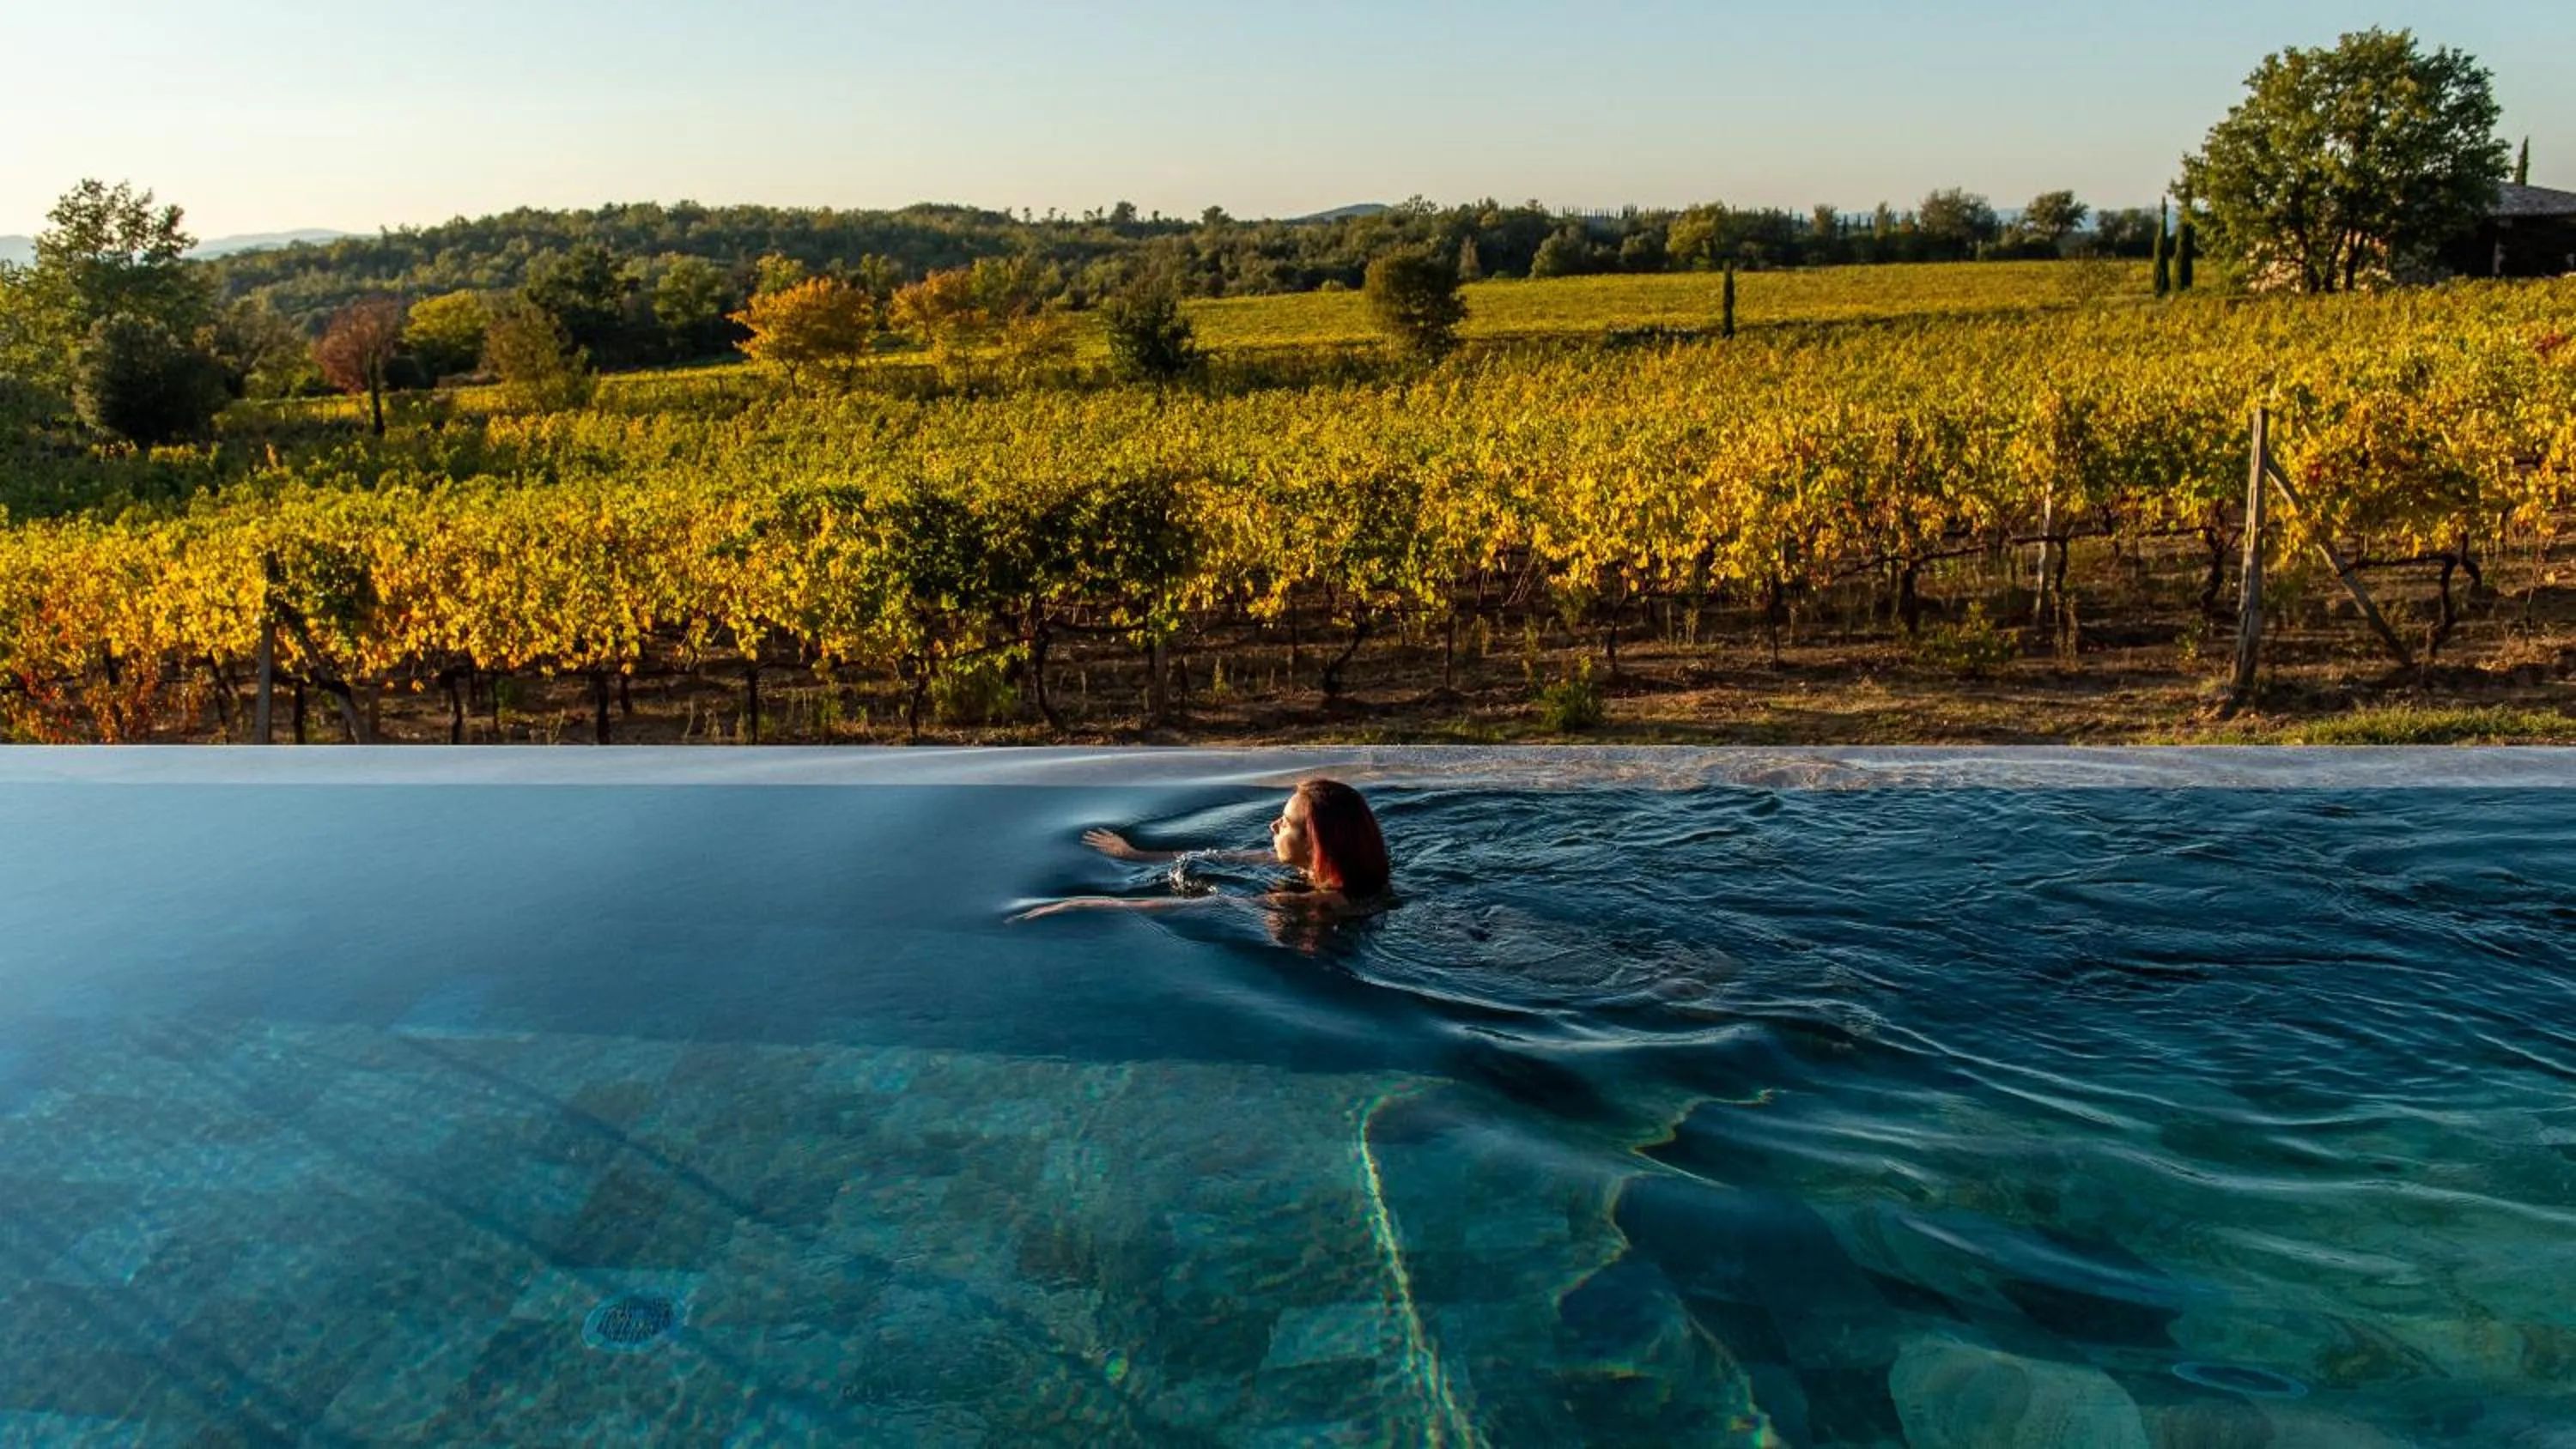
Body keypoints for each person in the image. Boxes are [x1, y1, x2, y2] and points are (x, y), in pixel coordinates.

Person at [1013, 778, 1391, 919]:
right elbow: (1221, 857)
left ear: (1317, 845)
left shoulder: (1322, 901)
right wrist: (1135, 856)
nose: (1272, 826)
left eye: (1286, 823)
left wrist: (1087, 903)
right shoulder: (1321, 869)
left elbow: (1211, 906)